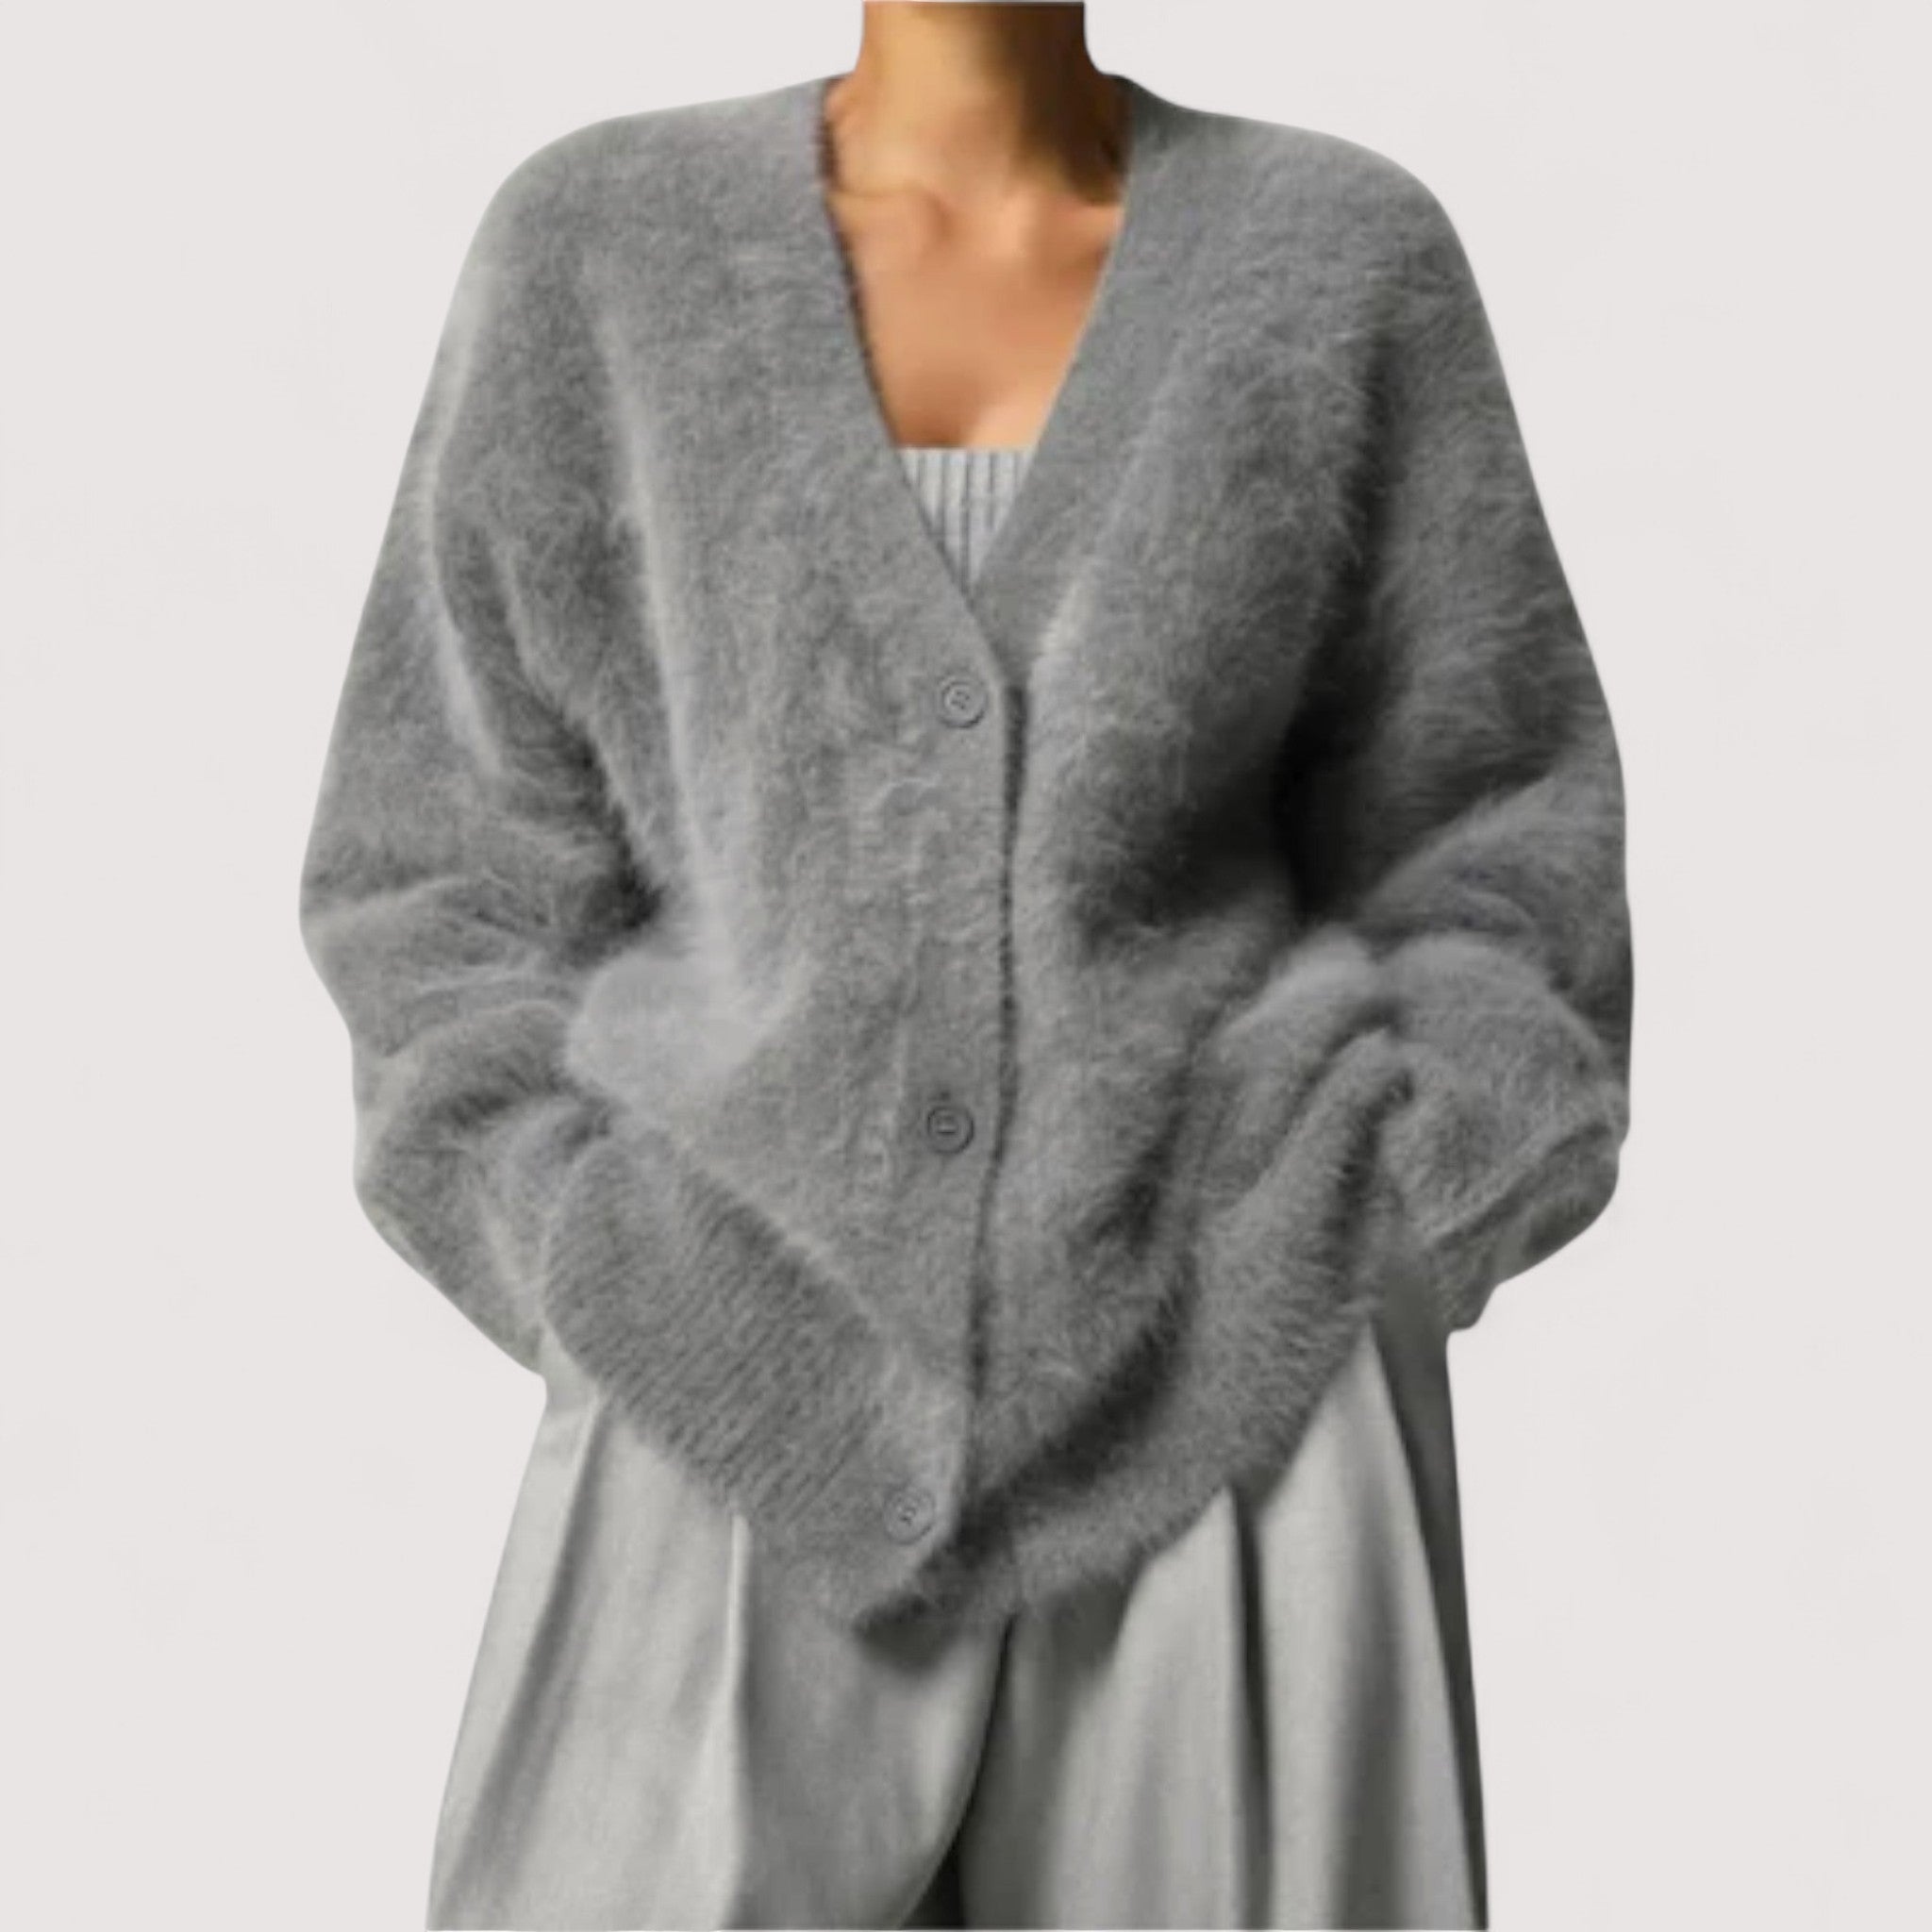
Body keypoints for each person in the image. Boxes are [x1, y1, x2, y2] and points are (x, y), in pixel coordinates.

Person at [297, 5, 1634, 1926]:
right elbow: (436, 867)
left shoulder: (1340, 255)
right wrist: (590, 1253)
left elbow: (1498, 833)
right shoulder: (597, 245)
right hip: (716, 1395)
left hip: (1241, 1419)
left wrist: (1382, 1236)